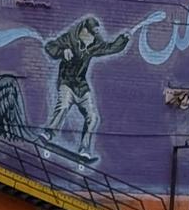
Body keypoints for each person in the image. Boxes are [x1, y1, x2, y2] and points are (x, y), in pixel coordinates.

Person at [43, 15, 130, 159]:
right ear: (84, 31)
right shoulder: (69, 38)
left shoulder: (95, 44)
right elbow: (49, 46)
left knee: (93, 117)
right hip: (67, 83)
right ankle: (49, 133)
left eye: (94, 36)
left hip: (81, 87)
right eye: (91, 35)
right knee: (63, 106)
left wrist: (123, 39)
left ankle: (84, 148)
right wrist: (62, 51)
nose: (92, 39)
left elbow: (110, 48)